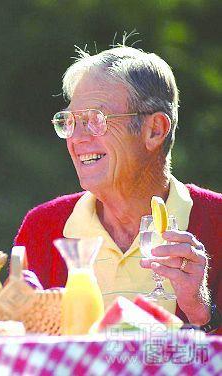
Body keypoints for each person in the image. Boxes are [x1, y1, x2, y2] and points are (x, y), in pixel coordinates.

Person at [14, 45, 221, 334]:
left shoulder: (218, 221)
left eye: (96, 120)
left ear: (155, 130)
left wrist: (201, 311)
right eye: (70, 122)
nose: (77, 138)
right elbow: (12, 348)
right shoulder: (42, 228)